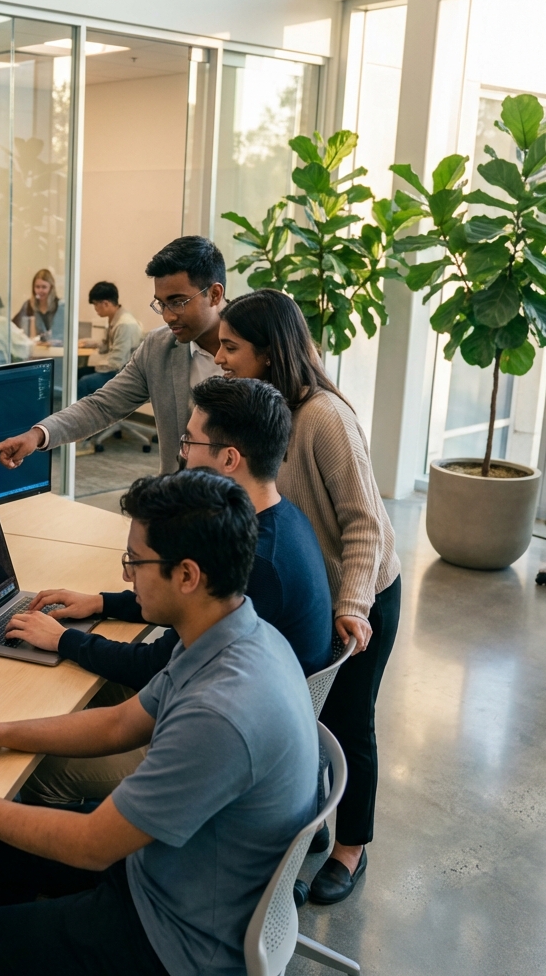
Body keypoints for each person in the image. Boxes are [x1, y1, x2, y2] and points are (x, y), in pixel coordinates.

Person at [0, 469, 318, 976]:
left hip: (173, 943)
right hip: (177, 875)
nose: (127, 577)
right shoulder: (237, 633)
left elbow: (90, 846)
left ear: (187, 576)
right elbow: (118, 724)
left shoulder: (220, 713)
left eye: (136, 562)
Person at [9, 376, 333, 807]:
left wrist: (64, 640)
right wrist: (102, 603)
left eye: (190, 442)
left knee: (33, 769)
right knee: (73, 698)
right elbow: (186, 595)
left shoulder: (259, 563)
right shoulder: (274, 518)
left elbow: (154, 664)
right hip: (247, 715)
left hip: (220, 744)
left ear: (229, 458)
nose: (182, 453)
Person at [214, 288, 401, 906]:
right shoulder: (262, 411)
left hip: (363, 590)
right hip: (316, 585)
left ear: (268, 353)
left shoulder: (323, 416)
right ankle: (315, 823)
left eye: (231, 347)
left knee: (349, 723)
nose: (219, 357)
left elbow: (365, 523)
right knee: (309, 715)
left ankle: (352, 847)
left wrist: (352, 605)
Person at [0, 235, 226, 476]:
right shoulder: (158, 346)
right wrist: (38, 435)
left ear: (214, 294)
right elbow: (102, 406)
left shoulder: (249, 346)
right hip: (181, 492)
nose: (168, 316)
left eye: (178, 302)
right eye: (161, 304)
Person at [77, 281, 143, 399]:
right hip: (117, 368)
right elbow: (106, 345)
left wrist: (97, 367)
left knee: (84, 382)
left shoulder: (124, 324)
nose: (95, 309)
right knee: (77, 373)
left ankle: (80, 411)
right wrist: (88, 343)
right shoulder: (115, 319)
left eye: (96, 304)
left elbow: (117, 362)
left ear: (105, 303)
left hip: (123, 374)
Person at [12, 269, 65, 342]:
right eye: (37, 287)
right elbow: (14, 327)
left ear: (51, 288)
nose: (40, 290)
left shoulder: (60, 307)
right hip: (33, 348)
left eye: (44, 287)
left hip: (56, 348)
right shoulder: (28, 306)